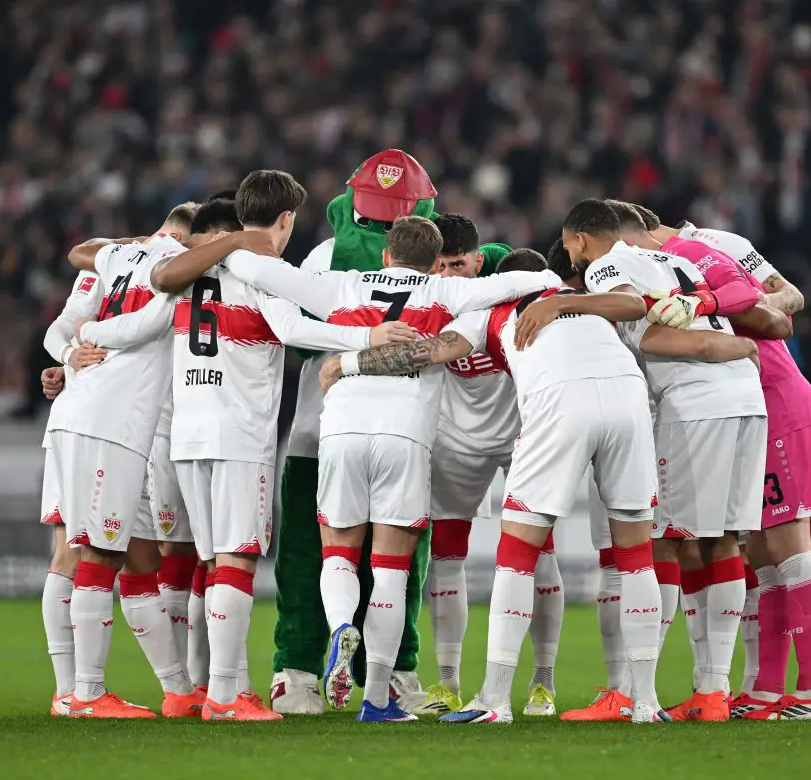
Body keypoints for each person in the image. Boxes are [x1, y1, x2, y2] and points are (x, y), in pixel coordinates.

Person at [197, 210, 551, 722]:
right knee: (391, 571)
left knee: (337, 555)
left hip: (339, 431)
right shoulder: (446, 294)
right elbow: (533, 277)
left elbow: (259, 271)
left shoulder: (342, 286)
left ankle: (342, 625)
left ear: (386, 254)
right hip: (404, 436)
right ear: (434, 263)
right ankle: (378, 697)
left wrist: (223, 247)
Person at [319, 246, 677, 725]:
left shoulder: (491, 312)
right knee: (635, 556)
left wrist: (347, 364)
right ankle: (645, 703)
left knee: (517, 554)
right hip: (627, 398)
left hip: (558, 401)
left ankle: (492, 699)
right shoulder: (584, 299)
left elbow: (428, 350)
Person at [144, 175, 416, 721]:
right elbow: (296, 328)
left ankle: (207, 689)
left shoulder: (193, 266)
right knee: (237, 563)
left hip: (188, 431)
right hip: (239, 433)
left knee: (210, 563)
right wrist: (367, 338)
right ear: (287, 218)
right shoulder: (263, 266)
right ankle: (226, 698)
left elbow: (154, 280)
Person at [524, 200, 771, 722]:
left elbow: (640, 318)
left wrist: (562, 305)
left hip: (695, 406)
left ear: (577, 241)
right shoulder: (673, 261)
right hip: (746, 401)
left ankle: (637, 692)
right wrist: (735, 348)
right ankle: (712, 691)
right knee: (723, 540)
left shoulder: (609, 264)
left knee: (655, 538)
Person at [634, 208, 811, 721]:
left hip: (781, 403)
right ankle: (765, 690)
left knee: (790, 544)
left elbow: (780, 308)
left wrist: (709, 301)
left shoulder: (700, 251)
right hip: (753, 407)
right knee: (762, 553)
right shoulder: (667, 263)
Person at [269, 150, 440, 715]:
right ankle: (393, 677)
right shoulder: (432, 268)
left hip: (319, 431)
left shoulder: (324, 256)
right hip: (401, 431)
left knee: (306, 556)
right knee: (398, 563)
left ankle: (295, 674)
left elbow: (293, 337)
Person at [48, 203, 203, 719]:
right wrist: (88, 339)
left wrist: (74, 349)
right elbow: (148, 324)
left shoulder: (120, 254)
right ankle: (85, 694)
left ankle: (178, 689)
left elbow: (80, 252)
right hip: (109, 423)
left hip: (98, 417)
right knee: (97, 554)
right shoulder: (174, 266)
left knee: (139, 558)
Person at [416, 214, 564, 718]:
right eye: (440, 265)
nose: (449, 275)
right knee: (446, 555)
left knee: (539, 553)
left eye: (458, 264)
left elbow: (550, 279)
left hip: (522, 436)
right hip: (455, 440)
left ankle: (543, 682)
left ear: (479, 262)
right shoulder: (425, 300)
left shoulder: (510, 296)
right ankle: (447, 683)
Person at [37, 269, 106, 715]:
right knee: (71, 553)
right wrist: (68, 359)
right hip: (84, 427)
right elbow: (61, 328)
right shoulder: (107, 267)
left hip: (123, 426)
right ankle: (70, 690)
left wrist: (65, 369)